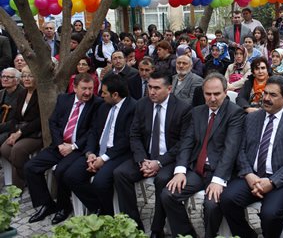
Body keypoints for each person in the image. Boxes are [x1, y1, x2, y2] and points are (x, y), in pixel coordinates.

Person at [219, 75, 283, 238]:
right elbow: (240, 150)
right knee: (226, 200)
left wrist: (273, 182)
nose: (266, 98)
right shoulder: (252, 117)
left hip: (280, 181)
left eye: (273, 95)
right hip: (251, 176)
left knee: (270, 214)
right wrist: (248, 175)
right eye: (265, 93)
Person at [162, 73, 246, 238]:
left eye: (217, 94)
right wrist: (180, 171)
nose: (212, 98)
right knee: (168, 195)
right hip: (198, 170)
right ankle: (186, 234)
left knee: (212, 205)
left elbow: (231, 149)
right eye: (208, 94)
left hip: (219, 172)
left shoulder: (235, 113)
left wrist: (218, 180)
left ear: (225, 92)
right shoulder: (197, 112)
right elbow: (187, 143)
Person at [113, 70, 192, 235]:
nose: (152, 92)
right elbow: (134, 135)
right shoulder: (142, 104)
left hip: (168, 159)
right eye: (150, 87)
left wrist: (160, 163)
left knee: (162, 179)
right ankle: (133, 224)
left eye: (157, 88)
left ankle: (157, 228)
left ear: (169, 88)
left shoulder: (183, 108)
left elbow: (183, 143)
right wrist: (142, 160)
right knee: (120, 173)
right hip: (146, 156)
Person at [25, 73, 103, 224]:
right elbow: (53, 122)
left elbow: (93, 131)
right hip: (60, 145)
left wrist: (73, 146)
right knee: (31, 167)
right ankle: (47, 204)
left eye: (90, 88)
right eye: (83, 89)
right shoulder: (63, 99)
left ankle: (63, 207)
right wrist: (60, 143)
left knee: (61, 171)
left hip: (78, 148)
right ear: (74, 88)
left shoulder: (97, 103)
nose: (87, 92)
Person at [64, 75, 137, 216]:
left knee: (100, 182)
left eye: (104, 92)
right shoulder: (103, 106)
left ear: (115, 95)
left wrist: (103, 159)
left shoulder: (133, 108)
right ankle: (98, 206)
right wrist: (90, 153)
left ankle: (107, 216)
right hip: (97, 151)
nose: (100, 95)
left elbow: (126, 140)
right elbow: (94, 131)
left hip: (118, 154)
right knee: (70, 175)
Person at [0, 66, 42, 190]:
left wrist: (20, 132)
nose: (26, 79)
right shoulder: (22, 94)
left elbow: (40, 120)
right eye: (24, 76)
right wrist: (13, 133)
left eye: (30, 76)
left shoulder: (40, 94)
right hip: (20, 131)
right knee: (5, 149)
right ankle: (30, 175)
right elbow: (16, 117)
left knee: (17, 151)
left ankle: (16, 187)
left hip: (35, 133)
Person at [0, 68, 24, 145]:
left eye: (9, 77)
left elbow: (18, 119)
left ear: (17, 80)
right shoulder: (1, 93)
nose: (5, 79)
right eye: (3, 77)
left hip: (12, 130)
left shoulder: (23, 95)